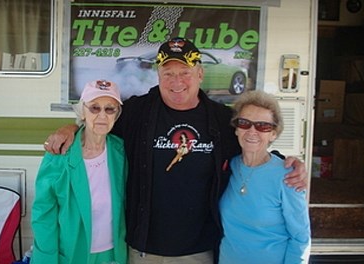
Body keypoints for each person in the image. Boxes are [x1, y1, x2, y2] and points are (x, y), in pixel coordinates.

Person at [43, 37, 308, 264]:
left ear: (200, 74)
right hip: (143, 249)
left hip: (199, 251)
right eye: (168, 73)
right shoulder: (137, 112)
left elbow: (252, 146)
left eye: (185, 72)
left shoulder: (221, 120)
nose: (176, 81)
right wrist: (71, 128)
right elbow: (98, 125)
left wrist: (286, 162)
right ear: (157, 76)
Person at [31, 80, 128, 264]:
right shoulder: (59, 155)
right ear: (82, 112)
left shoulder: (120, 151)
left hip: (112, 256)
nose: (102, 115)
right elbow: (44, 214)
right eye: (94, 108)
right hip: (72, 255)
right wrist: (45, 259)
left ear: (116, 115)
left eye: (110, 109)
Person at [219, 90, 311, 264]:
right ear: (237, 129)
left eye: (263, 126)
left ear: (273, 134)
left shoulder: (288, 176)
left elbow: (300, 238)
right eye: (245, 123)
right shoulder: (228, 166)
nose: (252, 131)